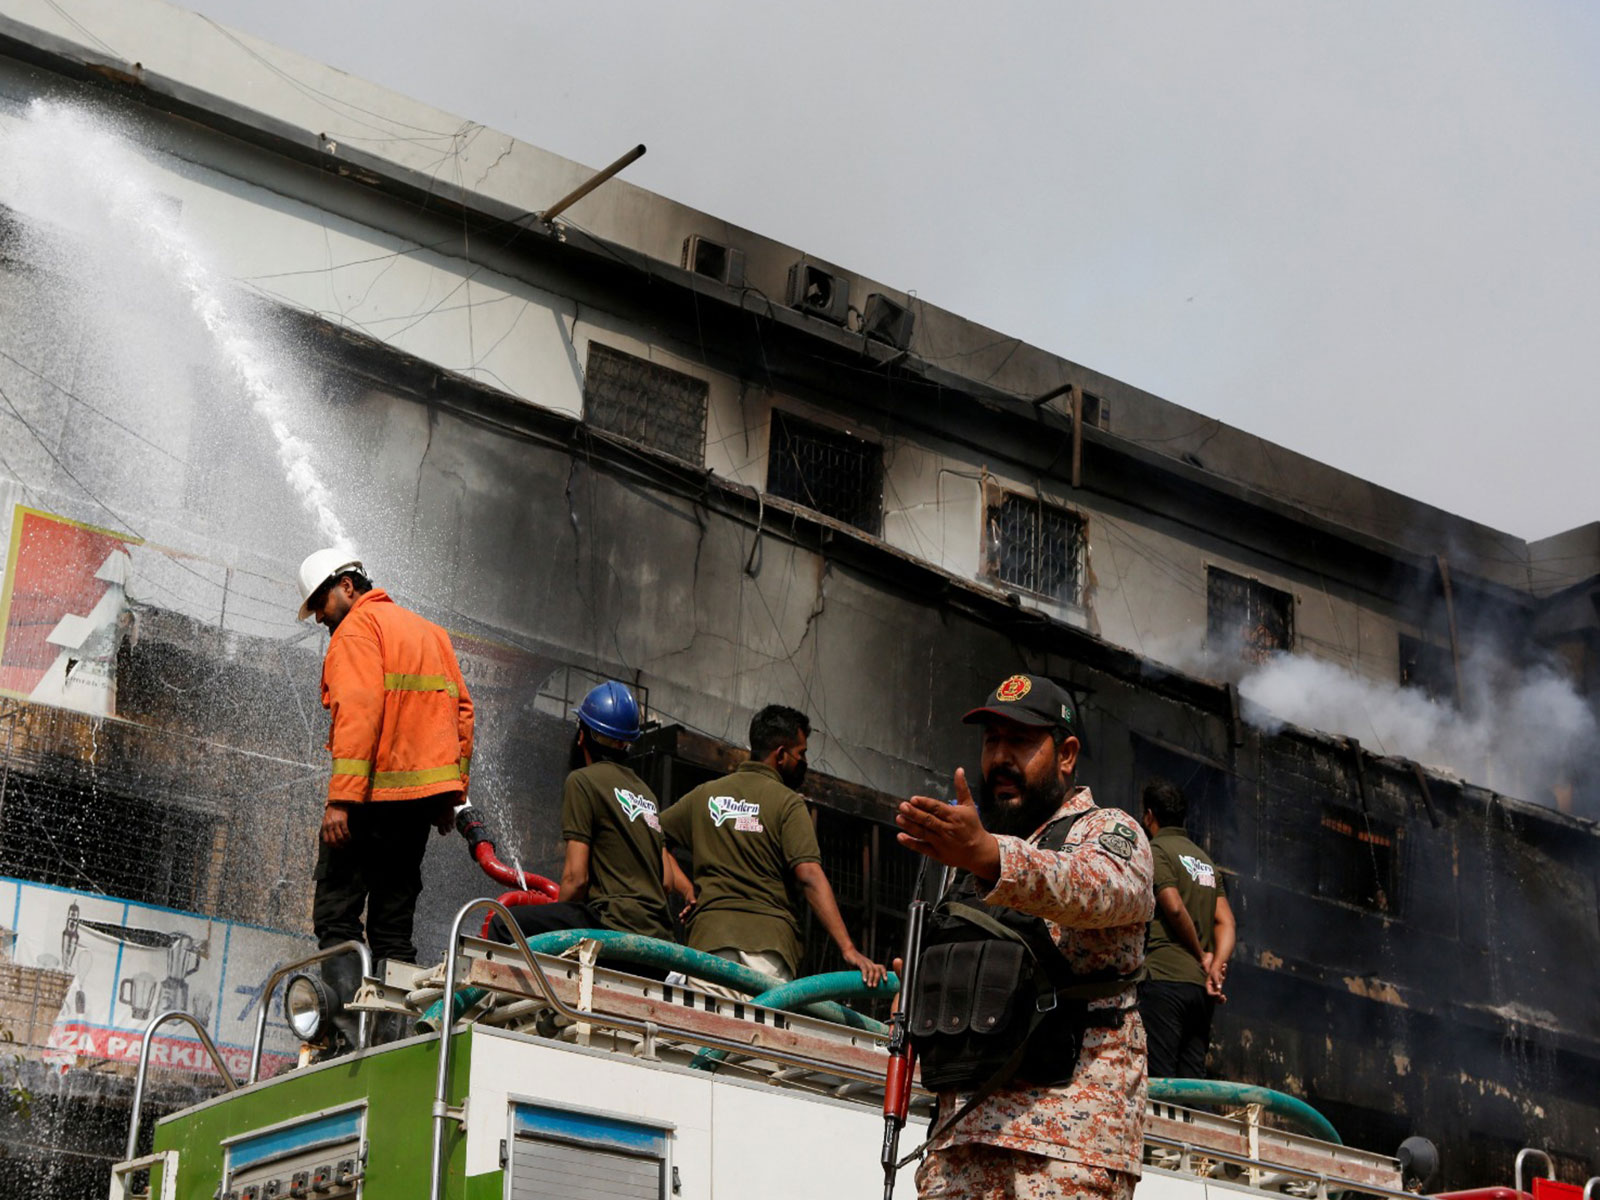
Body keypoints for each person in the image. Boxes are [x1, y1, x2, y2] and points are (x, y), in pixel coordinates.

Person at [894, 673, 1153, 1200]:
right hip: (956, 1147)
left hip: (1064, 1153)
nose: (1001, 758)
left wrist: (991, 857)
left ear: (1066, 754)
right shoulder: (963, 860)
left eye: (1021, 741)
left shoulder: (1106, 831)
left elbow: (1096, 891)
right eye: (992, 741)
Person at [297, 548, 472, 1047]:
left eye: (321, 606)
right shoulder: (431, 633)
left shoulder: (355, 631)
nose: (321, 620)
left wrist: (340, 801)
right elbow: (462, 714)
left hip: (368, 802)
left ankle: (344, 1037)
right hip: (414, 811)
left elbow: (359, 712)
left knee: (337, 915)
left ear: (347, 586)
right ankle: (392, 1038)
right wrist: (450, 796)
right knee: (394, 928)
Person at [660, 704, 886, 986]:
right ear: (781, 754)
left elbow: (653, 834)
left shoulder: (705, 795)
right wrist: (848, 949)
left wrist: (686, 890)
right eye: (801, 753)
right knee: (758, 1030)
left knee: (708, 1030)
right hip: (767, 953)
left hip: (711, 946)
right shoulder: (788, 804)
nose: (804, 761)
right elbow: (809, 876)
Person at [493, 681, 694, 952]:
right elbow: (667, 881)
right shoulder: (645, 793)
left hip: (610, 927)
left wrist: (559, 920)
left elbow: (576, 878)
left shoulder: (582, 781)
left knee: (503, 923)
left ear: (583, 735)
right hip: (658, 941)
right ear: (627, 744)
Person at [1138, 778, 1236, 1079]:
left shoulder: (1156, 851)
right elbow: (1227, 922)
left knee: (1161, 1079)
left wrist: (1199, 954)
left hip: (1165, 979)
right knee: (1193, 1081)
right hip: (1201, 990)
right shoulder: (1206, 862)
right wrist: (1214, 966)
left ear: (1149, 816)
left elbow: (1174, 907)